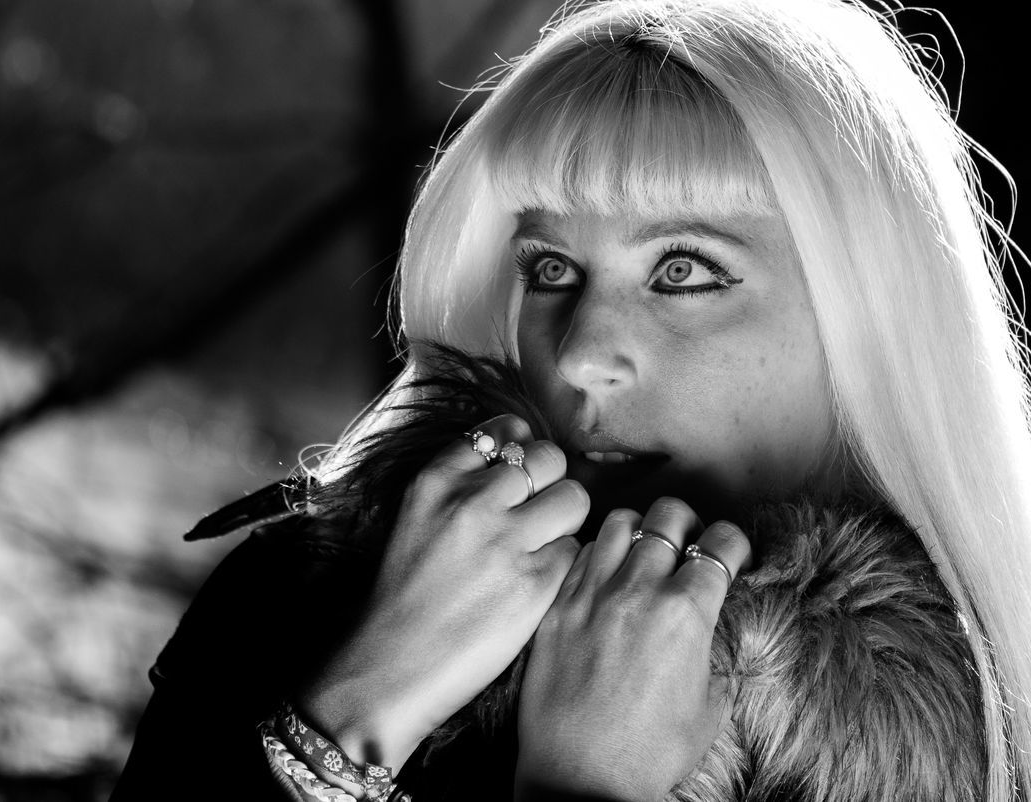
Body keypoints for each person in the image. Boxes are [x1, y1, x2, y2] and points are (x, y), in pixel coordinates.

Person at [111, 0, 1031, 799]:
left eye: (683, 269)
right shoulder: (294, 598)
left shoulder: (1004, 742)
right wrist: (361, 701)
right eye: (552, 267)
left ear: (869, 321)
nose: (583, 352)